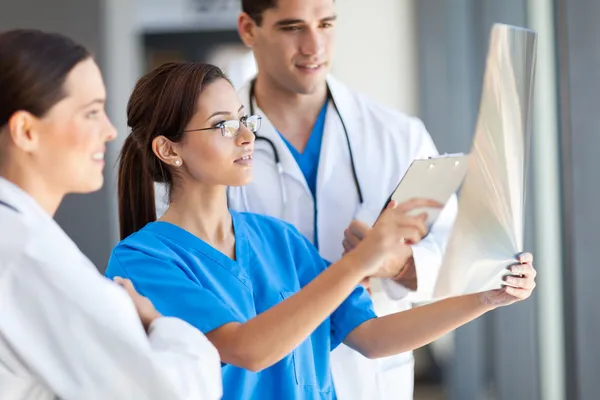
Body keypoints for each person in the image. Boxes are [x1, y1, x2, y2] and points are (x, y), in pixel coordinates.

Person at [105, 60, 537, 400]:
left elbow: (370, 335)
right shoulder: (143, 260)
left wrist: (486, 297)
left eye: (243, 120)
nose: (245, 137)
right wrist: (360, 262)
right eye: (223, 125)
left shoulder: (279, 240)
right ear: (168, 149)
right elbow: (246, 349)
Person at [224, 0, 457, 398]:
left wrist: (399, 264)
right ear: (248, 29)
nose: (314, 46)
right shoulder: (213, 139)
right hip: (260, 380)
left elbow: (453, 251)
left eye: (326, 23)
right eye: (292, 27)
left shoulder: (398, 136)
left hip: (369, 377)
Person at [0, 29, 221, 400]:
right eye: (90, 112)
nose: (110, 130)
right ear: (26, 130)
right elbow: (175, 393)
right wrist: (157, 324)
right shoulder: (27, 253)